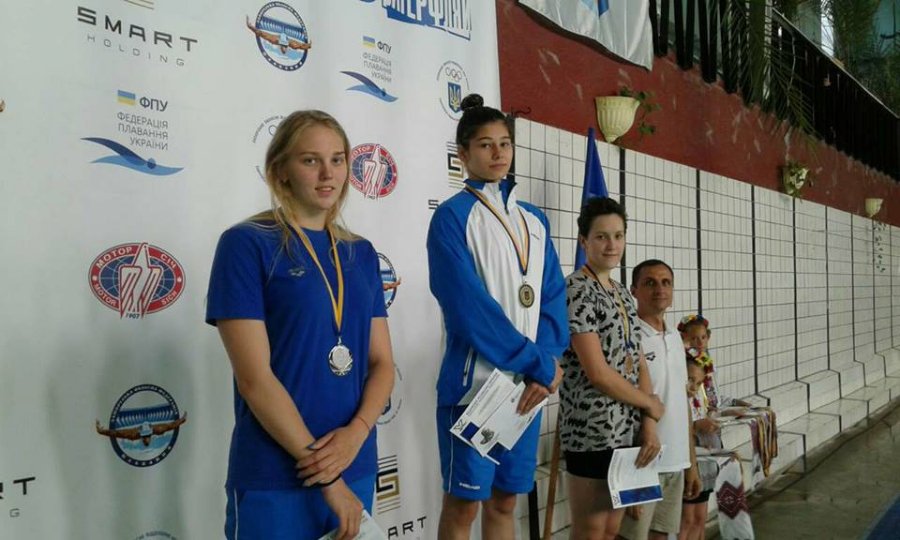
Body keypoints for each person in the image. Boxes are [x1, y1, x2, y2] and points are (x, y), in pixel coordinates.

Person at [205, 110, 395, 540]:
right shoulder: (246, 244)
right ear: (281, 171)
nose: (328, 174)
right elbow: (255, 380)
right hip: (277, 474)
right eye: (311, 160)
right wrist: (327, 477)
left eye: (337, 159)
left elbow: (382, 363)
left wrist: (356, 434)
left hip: (354, 463)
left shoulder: (361, 253)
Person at [427, 94, 568, 539]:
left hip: (527, 390)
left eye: (504, 143)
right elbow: (468, 310)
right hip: (476, 389)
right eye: (485, 145)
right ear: (463, 153)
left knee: (506, 501)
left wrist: (546, 364)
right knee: (463, 506)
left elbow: (552, 297)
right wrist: (539, 364)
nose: (498, 153)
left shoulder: (534, 220)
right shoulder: (452, 217)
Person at [560, 197, 665, 540]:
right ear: (584, 241)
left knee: (611, 530)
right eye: (602, 236)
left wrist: (648, 423)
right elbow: (598, 373)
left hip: (627, 430)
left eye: (618, 236)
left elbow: (638, 361)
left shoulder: (621, 292)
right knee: (591, 530)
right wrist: (649, 403)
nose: (611, 245)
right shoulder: (576, 289)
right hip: (590, 431)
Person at [618, 260, 701, 540]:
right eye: (650, 283)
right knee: (630, 536)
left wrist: (691, 463)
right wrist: (630, 477)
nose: (660, 289)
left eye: (666, 282)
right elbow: (624, 405)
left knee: (662, 535)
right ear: (634, 290)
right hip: (642, 462)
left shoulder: (677, 338)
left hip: (675, 461)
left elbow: (681, 403)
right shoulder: (630, 338)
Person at [678, 315, 750, 415]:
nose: (700, 343)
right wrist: (722, 413)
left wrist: (735, 402)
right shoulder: (687, 368)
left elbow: (715, 401)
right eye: (694, 338)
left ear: (708, 337)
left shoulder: (707, 363)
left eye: (703, 337)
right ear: (684, 340)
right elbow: (698, 410)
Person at [680, 352, 717, 540]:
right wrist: (696, 426)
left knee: (700, 518)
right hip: (688, 463)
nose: (694, 387)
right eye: (690, 380)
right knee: (686, 520)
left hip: (704, 463)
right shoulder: (677, 399)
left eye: (699, 383)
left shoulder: (699, 398)